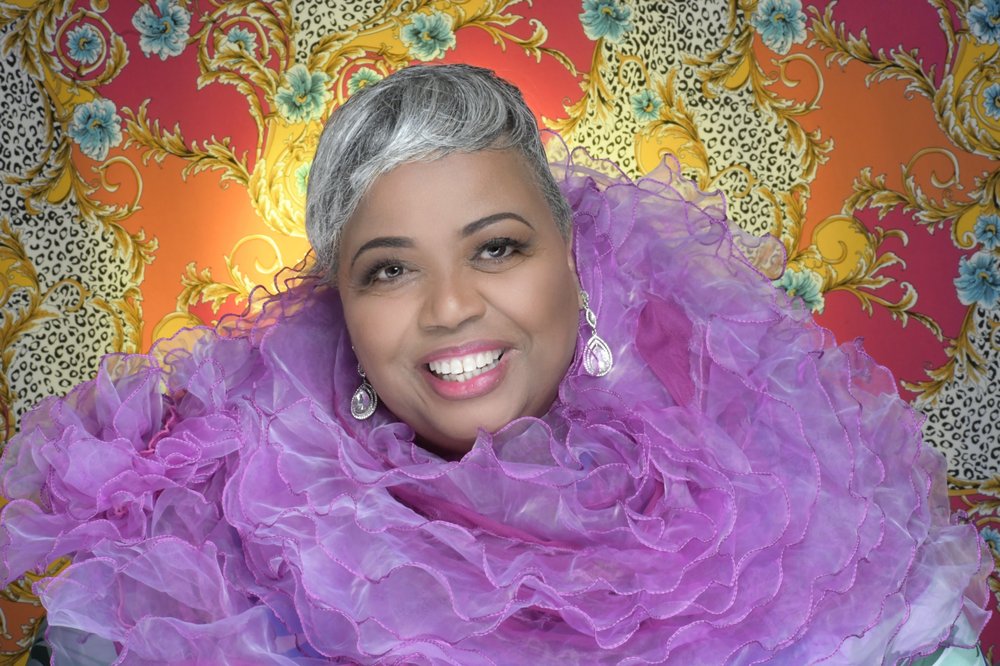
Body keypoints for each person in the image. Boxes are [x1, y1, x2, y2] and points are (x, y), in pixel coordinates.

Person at [0, 64, 990, 664]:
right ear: (343, 307)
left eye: (497, 248)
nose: (448, 308)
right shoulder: (207, 550)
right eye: (389, 270)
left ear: (574, 259)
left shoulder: (782, 497)